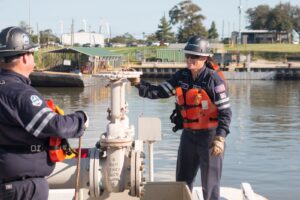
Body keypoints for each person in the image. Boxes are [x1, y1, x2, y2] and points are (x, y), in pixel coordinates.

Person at [129, 36, 232, 200]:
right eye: (188, 56)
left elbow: (226, 112)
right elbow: (160, 92)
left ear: (204, 58)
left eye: (194, 56)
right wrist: (138, 83)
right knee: (182, 182)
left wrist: (220, 138)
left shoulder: (214, 80)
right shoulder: (181, 76)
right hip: (189, 137)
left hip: (210, 138)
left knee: (210, 185)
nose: (190, 59)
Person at [0, 26, 89, 200]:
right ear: (25, 56)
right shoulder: (20, 94)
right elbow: (55, 126)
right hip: (23, 188)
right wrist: (81, 119)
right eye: (32, 53)